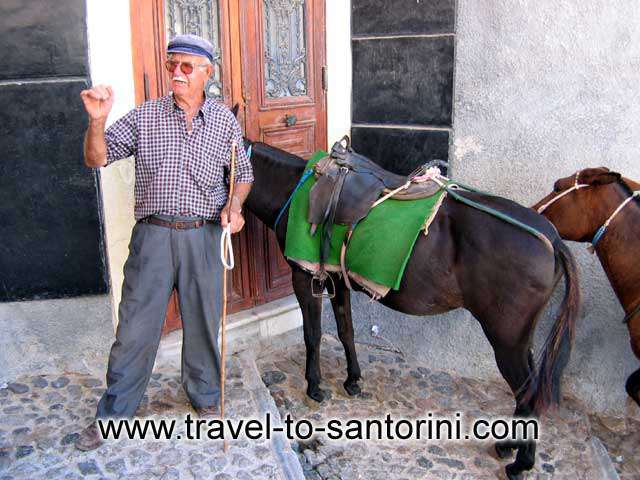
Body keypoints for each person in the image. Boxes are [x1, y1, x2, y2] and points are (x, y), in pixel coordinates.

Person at [75, 34, 253, 451]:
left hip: (204, 236)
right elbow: (95, 158)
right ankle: (114, 414)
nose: (176, 73)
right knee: (135, 328)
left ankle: (207, 398)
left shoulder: (225, 121)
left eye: (187, 66)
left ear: (208, 73)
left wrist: (235, 206)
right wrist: (97, 122)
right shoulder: (145, 117)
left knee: (205, 325)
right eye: (171, 64)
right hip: (153, 237)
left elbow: (241, 174)